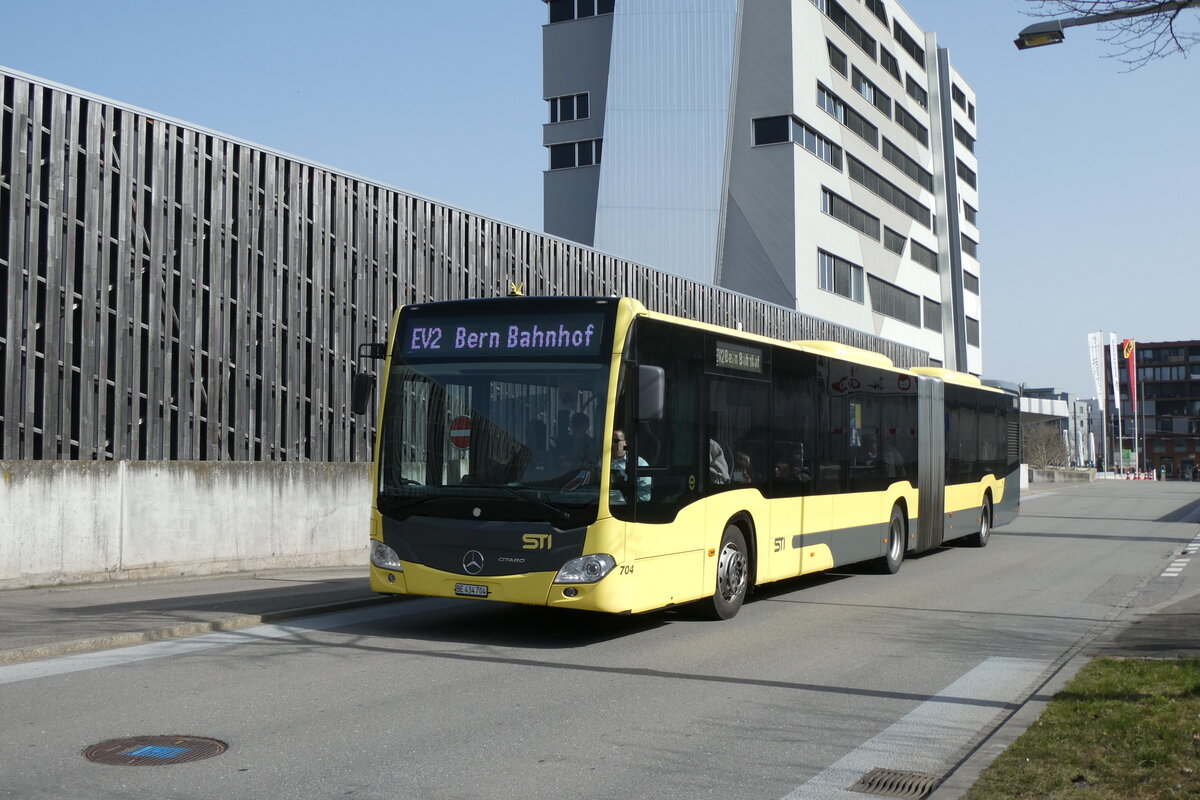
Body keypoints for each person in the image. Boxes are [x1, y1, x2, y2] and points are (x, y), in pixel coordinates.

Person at [610, 428, 651, 503]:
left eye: (616, 441)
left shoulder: (639, 464)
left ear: (625, 443)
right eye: (610, 441)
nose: (612, 444)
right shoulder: (599, 461)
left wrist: (625, 495)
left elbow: (645, 496)